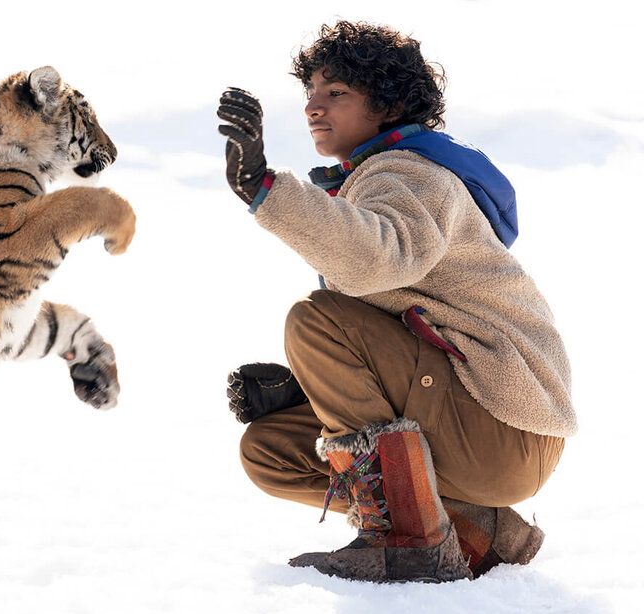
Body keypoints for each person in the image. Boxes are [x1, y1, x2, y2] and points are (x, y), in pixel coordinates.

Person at [217, 21, 575, 583]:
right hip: (479, 430)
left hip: (503, 424)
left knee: (316, 321)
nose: (313, 108)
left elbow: (375, 260)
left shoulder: (414, 173)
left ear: (391, 103)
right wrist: (311, 391)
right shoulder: (376, 178)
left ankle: (409, 540)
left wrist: (264, 188)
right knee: (269, 450)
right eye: (310, 95)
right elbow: (396, 314)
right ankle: (478, 528)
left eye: (336, 94)